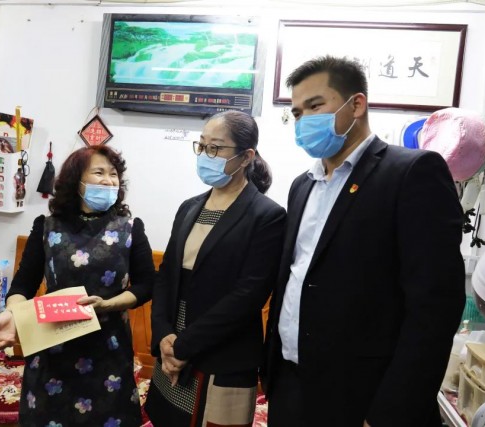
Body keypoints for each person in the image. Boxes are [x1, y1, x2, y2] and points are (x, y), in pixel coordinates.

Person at [262, 56, 466, 427]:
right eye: (297, 113)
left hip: (363, 394)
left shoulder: (411, 173)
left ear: (356, 104)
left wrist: (391, 411)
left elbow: (435, 308)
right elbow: (296, 277)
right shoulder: (302, 186)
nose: (304, 121)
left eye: (315, 106)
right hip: (290, 384)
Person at [0, 145, 155, 427]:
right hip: (53, 348)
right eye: (99, 172)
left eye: (113, 174)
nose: (108, 180)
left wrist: (108, 304)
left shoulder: (131, 228)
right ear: (77, 180)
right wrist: (12, 313)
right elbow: (23, 284)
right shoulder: (46, 226)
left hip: (108, 351)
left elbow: (147, 285)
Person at [145, 111, 286, 426]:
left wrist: (183, 346)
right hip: (171, 351)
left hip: (220, 355)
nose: (205, 155)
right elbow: (166, 276)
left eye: (216, 148)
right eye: (201, 146)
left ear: (246, 156)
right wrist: (164, 335)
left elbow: (248, 295)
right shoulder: (189, 207)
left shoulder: (267, 216)